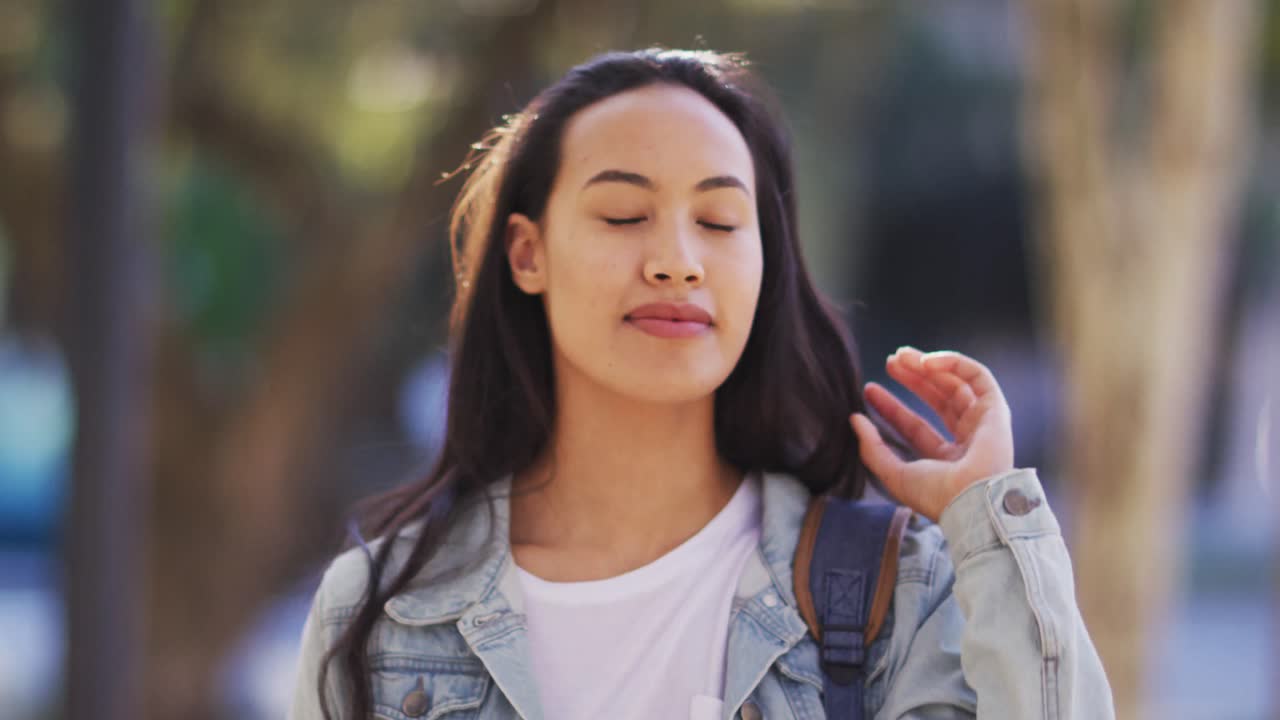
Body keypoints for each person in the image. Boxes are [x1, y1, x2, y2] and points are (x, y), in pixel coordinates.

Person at [288, 48, 1114, 720]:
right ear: (527, 254)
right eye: (624, 215)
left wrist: (988, 524)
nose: (678, 260)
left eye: (719, 222)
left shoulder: (894, 592)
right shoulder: (381, 620)